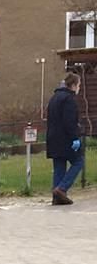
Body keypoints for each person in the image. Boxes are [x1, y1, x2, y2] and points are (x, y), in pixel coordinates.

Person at [46, 70, 85, 205]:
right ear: (73, 85)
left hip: (53, 139)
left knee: (59, 166)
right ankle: (62, 189)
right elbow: (69, 121)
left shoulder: (54, 98)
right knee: (79, 162)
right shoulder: (69, 99)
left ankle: (56, 197)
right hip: (66, 139)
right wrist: (75, 138)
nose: (79, 88)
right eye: (79, 85)